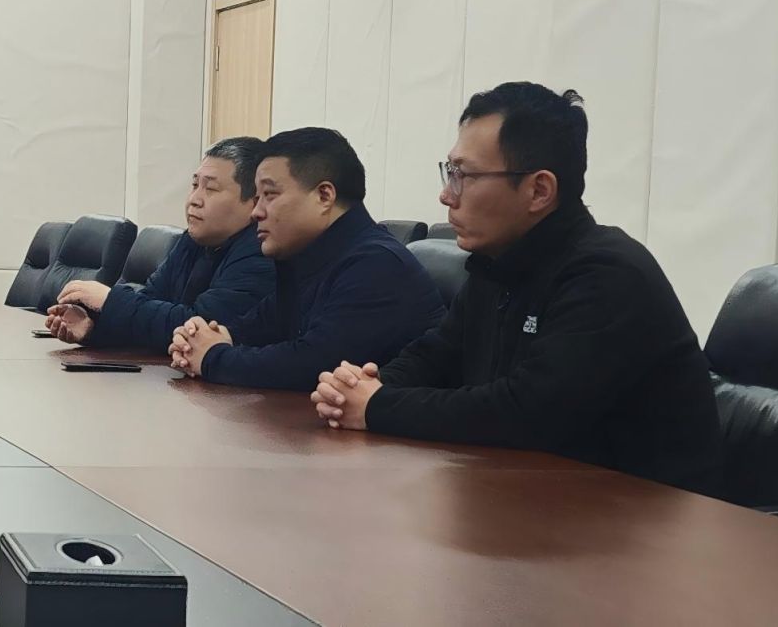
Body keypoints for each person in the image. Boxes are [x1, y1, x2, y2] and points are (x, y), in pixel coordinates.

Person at [310, 84, 723, 494]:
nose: (446, 195)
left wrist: (378, 405)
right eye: (449, 172)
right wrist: (361, 388)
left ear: (539, 190)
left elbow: (526, 412)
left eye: (465, 176)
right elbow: (435, 356)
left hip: (643, 515)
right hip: (536, 497)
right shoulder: (498, 263)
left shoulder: (607, 273)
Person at [169, 126, 442, 391]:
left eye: (270, 195)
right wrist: (207, 338)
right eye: (257, 197)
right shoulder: (306, 256)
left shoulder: (377, 265)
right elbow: (259, 326)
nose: (256, 212)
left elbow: (311, 364)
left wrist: (211, 357)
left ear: (324, 196)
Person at [46, 138, 274, 352]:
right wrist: (93, 329)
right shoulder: (193, 240)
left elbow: (198, 329)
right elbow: (150, 305)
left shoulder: (261, 253)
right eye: (194, 185)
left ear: (254, 203)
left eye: (211, 189)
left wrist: (109, 300)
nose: (194, 199)